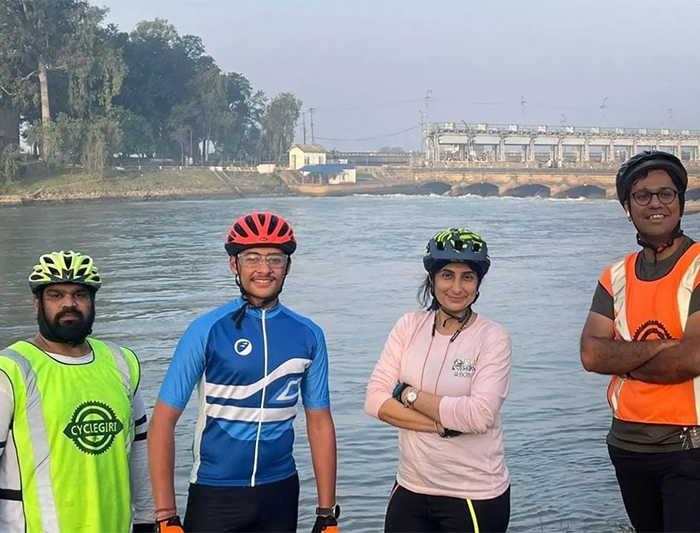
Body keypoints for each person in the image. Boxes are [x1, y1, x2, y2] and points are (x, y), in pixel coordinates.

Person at [148, 211, 339, 533]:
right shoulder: (206, 330)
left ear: (288, 266)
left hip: (280, 492)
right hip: (215, 492)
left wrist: (327, 513)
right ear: (234, 265)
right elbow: (162, 422)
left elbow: (319, 423)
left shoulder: (308, 335)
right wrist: (166, 515)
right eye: (252, 258)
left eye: (275, 259)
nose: (264, 269)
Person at [580, 150, 700, 532]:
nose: (655, 204)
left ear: (680, 201)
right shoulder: (614, 275)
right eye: (642, 196)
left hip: (689, 446)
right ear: (627, 208)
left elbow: (691, 359)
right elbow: (591, 354)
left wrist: (622, 359)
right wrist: (665, 346)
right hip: (627, 444)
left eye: (666, 194)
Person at [365, 228, 512, 533]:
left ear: (478, 283)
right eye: (447, 275)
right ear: (432, 279)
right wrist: (442, 426)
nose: (456, 288)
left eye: (467, 277)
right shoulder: (408, 326)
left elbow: (478, 416)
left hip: (473, 493)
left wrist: (408, 394)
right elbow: (375, 401)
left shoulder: (492, 337)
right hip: (410, 487)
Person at [0, 251, 155, 532]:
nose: (69, 304)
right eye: (55, 295)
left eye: (79, 295)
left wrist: (147, 519)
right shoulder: (11, 370)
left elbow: (140, 452)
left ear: (92, 301)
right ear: (37, 302)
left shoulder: (121, 362)